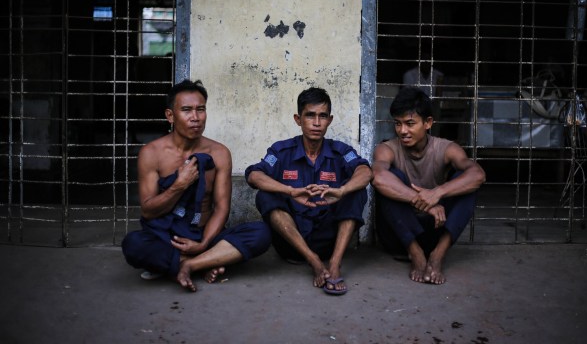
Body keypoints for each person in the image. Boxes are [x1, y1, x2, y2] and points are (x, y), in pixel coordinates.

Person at [122, 79, 271, 292]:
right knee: (133, 245)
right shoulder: (151, 153)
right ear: (170, 116)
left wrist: (203, 244)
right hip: (168, 237)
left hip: (205, 235)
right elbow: (148, 210)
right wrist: (178, 186)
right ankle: (208, 262)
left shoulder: (219, 153)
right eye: (186, 110)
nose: (195, 118)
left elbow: (221, 208)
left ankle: (188, 264)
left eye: (200, 109)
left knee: (261, 232)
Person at [245, 87, 372, 295]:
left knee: (356, 192)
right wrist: (290, 191)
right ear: (298, 119)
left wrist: (341, 190)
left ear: (329, 120)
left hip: (328, 239)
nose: (316, 123)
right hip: (291, 245)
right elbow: (253, 175)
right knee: (265, 195)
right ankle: (313, 261)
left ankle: (334, 264)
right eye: (310, 115)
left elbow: (366, 172)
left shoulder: (341, 151)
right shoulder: (281, 150)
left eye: (322, 116)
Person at [372, 87, 485, 285]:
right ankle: (415, 253)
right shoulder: (386, 148)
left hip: (435, 230)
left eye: (410, 124)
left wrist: (437, 193)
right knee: (390, 177)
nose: (403, 131)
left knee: (466, 181)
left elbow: (478, 175)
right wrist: (427, 203)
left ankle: (437, 255)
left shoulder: (446, 148)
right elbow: (379, 178)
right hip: (398, 236)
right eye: (398, 124)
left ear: (428, 123)